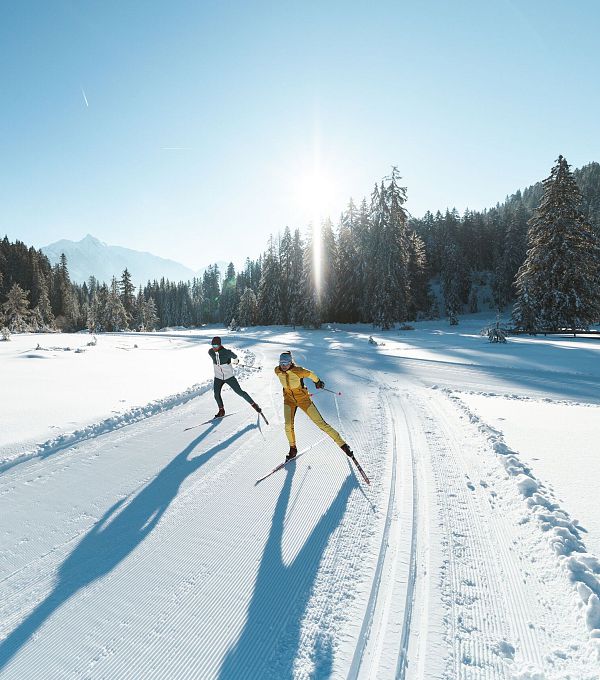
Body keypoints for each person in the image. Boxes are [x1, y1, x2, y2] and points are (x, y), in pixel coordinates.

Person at [274, 350, 355, 462]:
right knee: (288, 425)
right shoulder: (277, 371)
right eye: (281, 363)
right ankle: (293, 449)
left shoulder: (299, 371)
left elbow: (311, 374)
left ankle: (343, 445)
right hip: (289, 401)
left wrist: (318, 382)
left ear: (291, 362)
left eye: (286, 363)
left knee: (321, 424)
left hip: (303, 400)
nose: (283, 366)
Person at [208, 336, 262, 418]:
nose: (214, 348)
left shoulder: (227, 352)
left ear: (220, 345)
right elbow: (216, 358)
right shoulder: (210, 352)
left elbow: (235, 357)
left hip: (229, 377)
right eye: (213, 346)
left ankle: (254, 404)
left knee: (239, 392)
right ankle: (221, 410)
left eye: (216, 346)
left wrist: (235, 361)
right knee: (216, 394)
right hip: (218, 377)